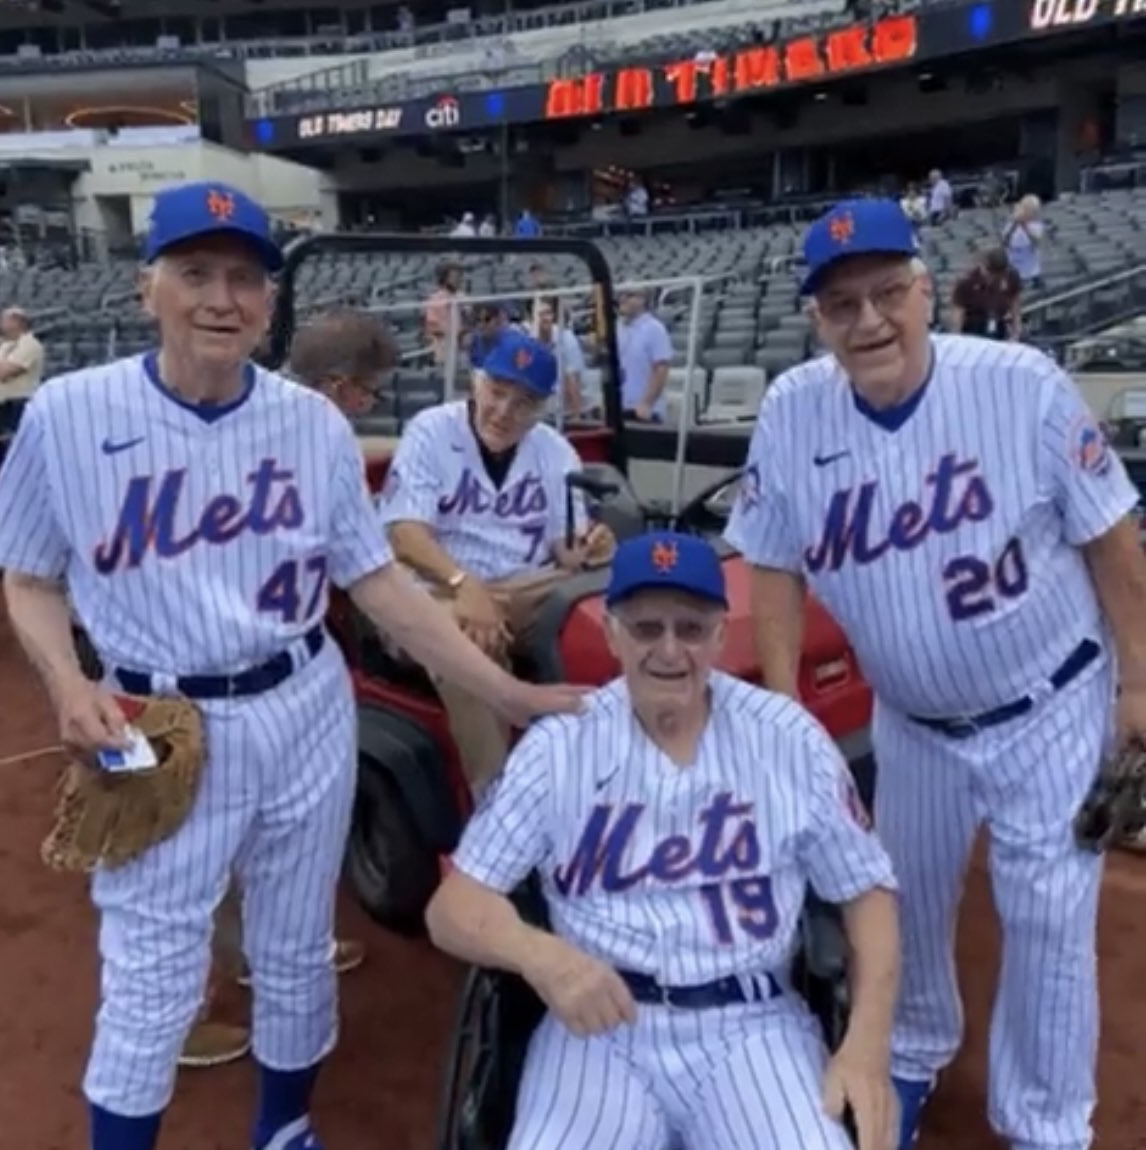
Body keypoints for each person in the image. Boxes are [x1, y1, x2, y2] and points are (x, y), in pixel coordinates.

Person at [0, 179, 586, 1150]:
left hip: (305, 704)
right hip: (154, 718)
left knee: (297, 949)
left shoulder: (311, 426)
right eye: (196, 273)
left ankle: (284, 1128)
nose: (222, 297)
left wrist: (512, 690)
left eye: (244, 279)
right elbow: (30, 577)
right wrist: (66, 681)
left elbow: (379, 583)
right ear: (149, 289)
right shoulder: (67, 413)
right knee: (152, 969)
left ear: (269, 302)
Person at [724, 196, 1146, 1150]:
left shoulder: (1020, 383)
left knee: (1047, 921)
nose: (868, 321)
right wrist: (789, 710)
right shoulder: (794, 412)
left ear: (923, 290)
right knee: (903, 901)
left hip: (1052, 699)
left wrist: (1139, 686)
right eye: (842, 306)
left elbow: (1114, 542)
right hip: (912, 723)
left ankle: (1045, 1124)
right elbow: (774, 564)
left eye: (885, 294)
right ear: (816, 321)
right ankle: (911, 1052)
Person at [426, 531, 902, 1150]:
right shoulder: (560, 745)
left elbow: (868, 894)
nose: (670, 650)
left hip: (752, 1024)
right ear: (614, 635)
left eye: (691, 628)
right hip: (599, 1031)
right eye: (647, 629)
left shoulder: (788, 737)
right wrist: (540, 956)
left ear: (721, 636)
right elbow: (453, 908)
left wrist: (866, 1044)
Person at [182, 307, 401, 1070]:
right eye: (369, 392)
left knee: (268, 838)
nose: (372, 405)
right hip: (206, 672)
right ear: (340, 385)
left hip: (280, 666)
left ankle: (258, 954)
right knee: (197, 850)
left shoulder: (310, 424)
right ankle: (188, 1008)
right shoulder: (260, 427)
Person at [380, 328, 615, 795]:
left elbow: (562, 551)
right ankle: (499, 806)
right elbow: (404, 533)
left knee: (613, 605)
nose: (505, 411)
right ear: (476, 382)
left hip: (524, 587)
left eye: (524, 402)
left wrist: (589, 546)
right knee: (465, 644)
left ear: (542, 408)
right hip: (431, 592)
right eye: (498, 392)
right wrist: (463, 584)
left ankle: (612, 772)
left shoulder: (553, 450)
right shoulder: (432, 429)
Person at [0, 306, 45, 468]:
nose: (1, 324)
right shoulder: (6, 346)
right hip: (0, 406)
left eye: (4, 320)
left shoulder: (30, 345)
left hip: (18, 404)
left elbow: (4, 373)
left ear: (17, 322)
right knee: (2, 453)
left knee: (16, 451)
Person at [616, 288, 672, 422]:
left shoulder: (655, 328)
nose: (622, 299)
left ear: (643, 300)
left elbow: (661, 369)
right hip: (620, 407)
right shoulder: (618, 328)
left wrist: (647, 403)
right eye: (620, 295)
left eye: (629, 295)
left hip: (644, 410)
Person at [948, 247, 1023, 341]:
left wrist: (1016, 332)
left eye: (998, 275)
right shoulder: (967, 281)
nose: (992, 278)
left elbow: (1015, 305)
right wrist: (957, 339)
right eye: (990, 273)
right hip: (973, 329)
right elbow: (958, 314)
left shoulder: (1011, 277)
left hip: (998, 325)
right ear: (983, 266)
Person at [531, 295, 584, 417]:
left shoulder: (566, 338)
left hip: (563, 408)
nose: (545, 318)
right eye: (540, 314)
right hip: (538, 409)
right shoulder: (528, 341)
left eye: (548, 313)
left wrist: (577, 418)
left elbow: (574, 380)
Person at [1003, 194, 1045, 291]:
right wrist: (1014, 224)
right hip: (1014, 270)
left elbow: (1036, 242)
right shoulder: (1011, 225)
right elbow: (1005, 241)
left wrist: (1024, 226)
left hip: (1030, 272)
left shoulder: (1036, 226)